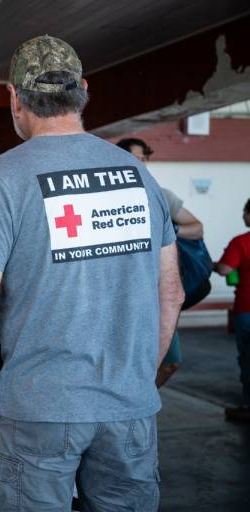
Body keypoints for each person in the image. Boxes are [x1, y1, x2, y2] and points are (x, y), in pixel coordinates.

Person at [0, 35, 184, 511]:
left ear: (14, 98)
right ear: (83, 89)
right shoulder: (138, 174)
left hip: (40, 409)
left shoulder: (3, 177)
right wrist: (137, 378)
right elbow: (172, 293)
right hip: (130, 408)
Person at [118, 137, 206, 386]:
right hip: (122, 295)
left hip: (157, 294)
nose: (142, 164)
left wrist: (168, 230)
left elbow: (197, 228)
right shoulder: (108, 196)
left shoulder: (161, 196)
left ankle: (141, 400)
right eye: (137, 158)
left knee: (170, 361)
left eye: (145, 159)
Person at [213, 198, 250, 423]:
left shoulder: (241, 242)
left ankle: (248, 405)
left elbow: (226, 269)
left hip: (246, 309)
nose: (242, 216)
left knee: (247, 358)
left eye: (245, 212)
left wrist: (214, 265)